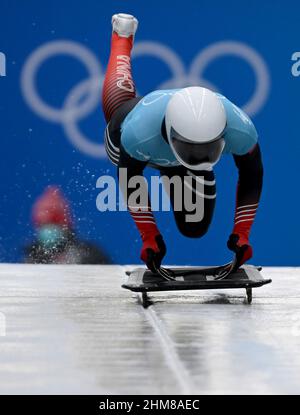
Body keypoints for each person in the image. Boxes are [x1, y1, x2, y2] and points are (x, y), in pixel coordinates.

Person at [102, 13, 263, 272]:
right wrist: (149, 236)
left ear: (222, 134)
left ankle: (187, 161)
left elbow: (252, 174)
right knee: (116, 113)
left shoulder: (240, 129)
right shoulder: (137, 133)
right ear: (172, 134)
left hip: (172, 155)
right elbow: (131, 180)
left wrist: (242, 233)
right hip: (135, 132)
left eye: (208, 149)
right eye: (192, 149)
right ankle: (122, 39)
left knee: (194, 227)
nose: (200, 155)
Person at [25, 186, 111, 264]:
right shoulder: (32, 258)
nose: (48, 230)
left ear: (65, 225)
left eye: (53, 223)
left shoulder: (88, 255)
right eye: (43, 225)